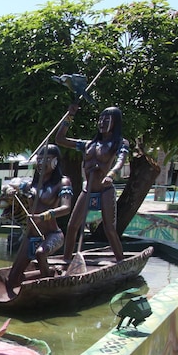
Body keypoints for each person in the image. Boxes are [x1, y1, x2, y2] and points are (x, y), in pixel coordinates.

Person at [54, 103, 129, 263]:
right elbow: (60, 139)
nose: (101, 123)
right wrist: (69, 116)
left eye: (106, 120)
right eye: (100, 119)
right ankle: (66, 261)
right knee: (72, 226)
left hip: (105, 190)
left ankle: (121, 261)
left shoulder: (119, 143)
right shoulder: (87, 144)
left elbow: (121, 160)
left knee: (109, 228)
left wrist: (111, 174)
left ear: (115, 123)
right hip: (87, 190)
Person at [5, 144, 73, 288]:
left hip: (53, 235)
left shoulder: (62, 182)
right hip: (31, 236)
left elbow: (66, 208)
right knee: (12, 278)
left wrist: (42, 216)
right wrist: (10, 191)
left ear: (55, 161)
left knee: (40, 253)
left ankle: (48, 284)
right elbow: (11, 186)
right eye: (39, 160)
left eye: (46, 159)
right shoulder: (31, 184)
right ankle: (46, 274)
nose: (41, 163)